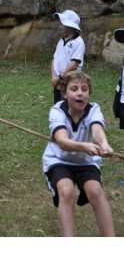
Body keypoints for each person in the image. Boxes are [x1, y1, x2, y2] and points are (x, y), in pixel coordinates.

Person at [42, 70, 115, 237]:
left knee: (95, 191)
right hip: (58, 160)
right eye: (74, 89)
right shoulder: (57, 111)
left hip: (86, 161)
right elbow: (62, 141)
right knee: (66, 192)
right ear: (64, 94)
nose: (80, 93)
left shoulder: (93, 109)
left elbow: (97, 129)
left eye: (84, 89)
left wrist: (104, 144)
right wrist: (84, 146)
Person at [51, 10, 85, 104]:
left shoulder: (78, 42)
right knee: (58, 108)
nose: (60, 25)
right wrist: (54, 77)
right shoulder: (61, 41)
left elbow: (74, 64)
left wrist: (60, 78)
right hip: (58, 84)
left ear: (70, 25)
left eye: (62, 23)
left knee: (70, 108)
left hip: (71, 82)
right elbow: (54, 59)